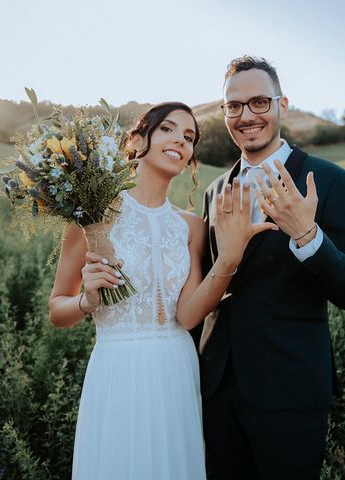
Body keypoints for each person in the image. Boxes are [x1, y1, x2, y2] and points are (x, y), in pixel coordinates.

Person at [48, 102, 276, 479]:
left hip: (176, 370)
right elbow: (57, 309)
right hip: (118, 370)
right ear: (138, 140)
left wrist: (229, 261)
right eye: (168, 129)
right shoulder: (91, 214)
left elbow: (186, 316)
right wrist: (87, 300)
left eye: (189, 137)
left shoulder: (190, 226)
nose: (180, 141)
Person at [198, 56, 345, 479]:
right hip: (217, 386)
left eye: (259, 102)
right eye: (233, 106)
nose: (246, 115)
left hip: (289, 388)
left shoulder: (329, 180)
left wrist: (308, 235)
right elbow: (204, 283)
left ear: (282, 105)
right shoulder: (216, 189)